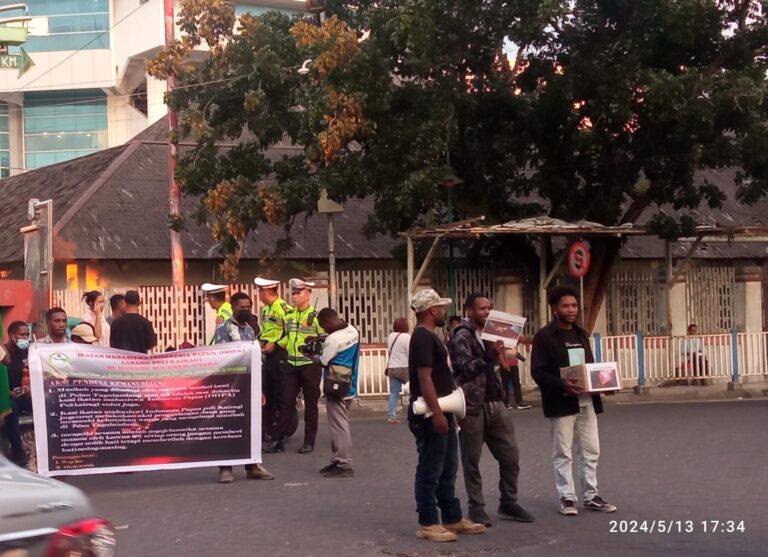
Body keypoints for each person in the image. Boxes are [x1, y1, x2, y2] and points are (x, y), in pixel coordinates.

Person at [448, 293, 534, 527]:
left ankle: (508, 501)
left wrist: (504, 349)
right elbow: (464, 370)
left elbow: (497, 365)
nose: (487, 312)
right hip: (472, 404)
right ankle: (476, 508)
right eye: (482, 308)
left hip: (496, 402)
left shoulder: (491, 334)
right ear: (469, 312)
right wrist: (488, 356)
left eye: (489, 308)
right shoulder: (461, 336)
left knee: (510, 456)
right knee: (471, 460)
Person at [531, 284, 616, 516]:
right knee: (563, 452)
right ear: (554, 308)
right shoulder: (544, 337)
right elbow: (538, 372)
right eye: (565, 305)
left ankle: (591, 495)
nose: (571, 310)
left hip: (587, 401)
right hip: (561, 402)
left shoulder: (580, 333)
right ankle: (567, 498)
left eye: (574, 305)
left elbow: (589, 368)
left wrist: (603, 385)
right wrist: (563, 385)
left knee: (591, 450)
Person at [408, 288, 486, 542]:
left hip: (443, 410)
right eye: (441, 307)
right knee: (431, 468)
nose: (445, 311)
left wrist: (449, 411)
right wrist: (438, 412)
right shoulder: (422, 338)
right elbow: (424, 377)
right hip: (431, 414)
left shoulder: (431, 336)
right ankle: (428, 522)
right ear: (432, 311)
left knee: (448, 467)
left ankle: (452, 517)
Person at [214, 292, 274, 484]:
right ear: (233, 308)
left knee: (252, 427)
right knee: (229, 428)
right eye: (242, 307)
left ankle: (253, 466)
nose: (246, 310)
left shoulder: (249, 330)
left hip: (250, 386)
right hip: (231, 387)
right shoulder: (223, 329)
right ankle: (225, 468)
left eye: (248, 306)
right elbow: (222, 358)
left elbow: (255, 359)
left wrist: (259, 389)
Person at [264, 278, 324, 454]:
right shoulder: (289, 315)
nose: (295, 296)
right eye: (293, 293)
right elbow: (288, 337)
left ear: (308, 294)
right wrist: (275, 344)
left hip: (309, 365)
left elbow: (325, 339)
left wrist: (316, 352)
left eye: (299, 293)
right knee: (285, 402)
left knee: (311, 405)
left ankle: (309, 441)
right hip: (291, 364)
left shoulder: (315, 317)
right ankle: (278, 440)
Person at [308, 308, 360, 478]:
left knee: (339, 427)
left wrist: (310, 355)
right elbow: (339, 343)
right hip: (349, 385)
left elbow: (323, 361)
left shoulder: (332, 339)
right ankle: (337, 459)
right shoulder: (352, 330)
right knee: (338, 425)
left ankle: (344, 464)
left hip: (336, 388)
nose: (324, 330)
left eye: (323, 327)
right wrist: (320, 338)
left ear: (328, 323)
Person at [254, 277, 292, 440]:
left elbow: (292, 333)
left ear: (266, 291)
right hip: (267, 354)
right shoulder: (265, 309)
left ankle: (279, 433)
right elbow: (265, 330)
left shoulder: (284, 308)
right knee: (267, 392)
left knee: (280, 393)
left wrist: (275, 344)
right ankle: (268, 431)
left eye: (260, 291)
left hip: (280, 354)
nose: (259, 295)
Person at [1, 321, 31, 465]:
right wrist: (8, 392)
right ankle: (18, 451)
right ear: (11, 335)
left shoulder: (27, 352)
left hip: (24, 394)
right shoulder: (3, 352)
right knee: (11, 407)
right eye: (22, 335)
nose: (25, 338)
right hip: (7, 395)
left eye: (27, 335)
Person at [385, 317, 410, 423]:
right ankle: (414, 413)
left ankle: (392, 416)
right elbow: (410, 353)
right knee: (412, 391)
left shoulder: (390, 336)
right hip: (404, 368)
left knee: (394, 393)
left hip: (392, 368)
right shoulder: (407, 337)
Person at [501, 335, 532, 410]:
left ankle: (519, 402)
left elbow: (515, 350)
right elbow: (501, 352)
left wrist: (522, 358)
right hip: (505, 364)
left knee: (516, 383)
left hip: (513, 364)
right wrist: (504, 362)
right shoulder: (503, 338)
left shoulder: (514, 338)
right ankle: (505, 403)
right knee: (505, 384)